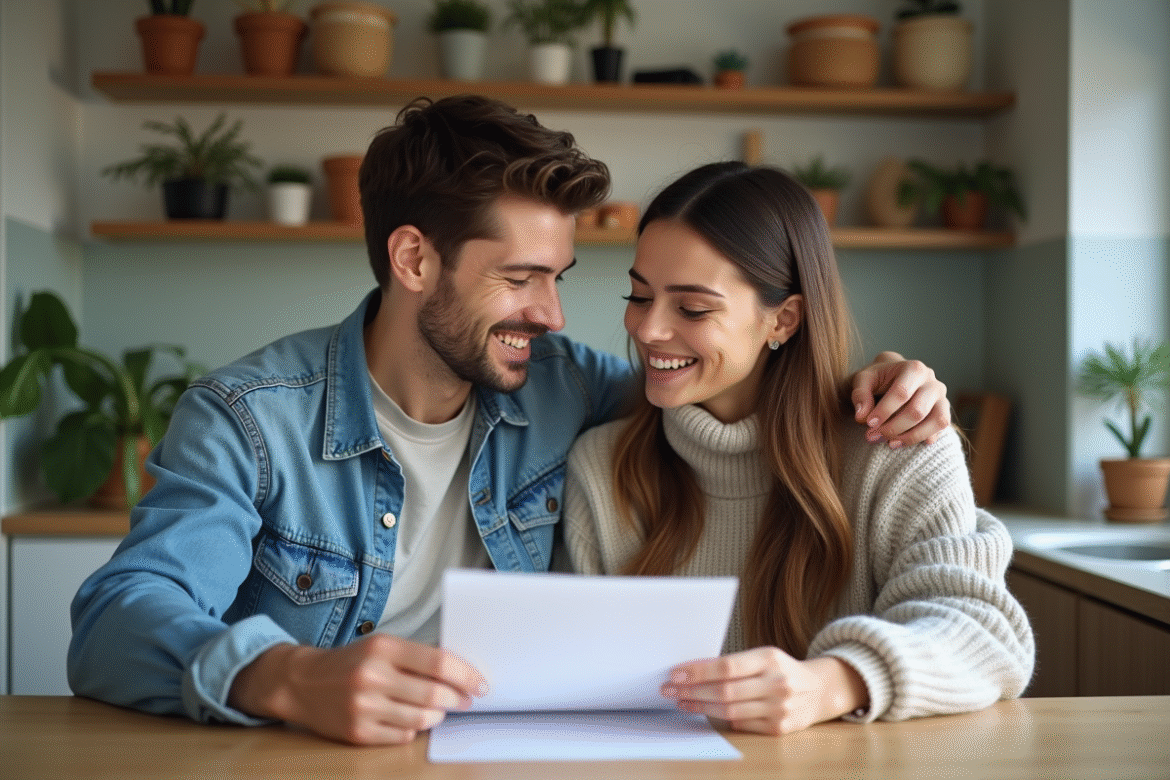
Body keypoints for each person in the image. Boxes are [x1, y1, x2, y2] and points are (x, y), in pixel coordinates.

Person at [69, 96, 955, 746]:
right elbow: (117, 618)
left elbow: (723, 384)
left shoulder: (563, 385)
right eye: (520, 278)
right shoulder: (249, 420)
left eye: (561, 279)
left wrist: (870, 385)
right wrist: (288, 678)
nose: (554, 316)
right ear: (414, 257)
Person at [562, 161, 1035, 736]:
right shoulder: (601, 467)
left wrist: (832, 683)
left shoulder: (898, 446)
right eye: (638, 295)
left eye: (692, 308)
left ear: (783, 319)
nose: (647, 329)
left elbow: (984, 634)